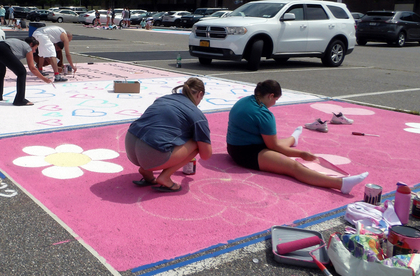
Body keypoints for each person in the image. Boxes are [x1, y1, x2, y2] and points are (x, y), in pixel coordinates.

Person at [226, 79, 369, 194]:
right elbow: (273, 146)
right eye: (275, 100)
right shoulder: (264, 114)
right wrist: (302, 154)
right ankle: (341, 184)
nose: (274, 104)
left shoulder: (245, 100)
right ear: (270, 96)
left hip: (235, 146)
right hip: (245, 153)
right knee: (293, 166)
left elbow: (272, 144)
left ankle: (294, 138)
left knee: (279, 145)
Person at [125, 77, 212, 192]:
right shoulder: (197, 115)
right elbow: (206, 155)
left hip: (130, 143)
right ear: (200, 94)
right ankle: (165, 177)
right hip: (149, 153)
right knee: (197, 143)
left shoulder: (164, 98)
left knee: (160, 133)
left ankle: (147, 171)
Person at [0, 36, 52, 106]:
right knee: (22, 72)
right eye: (34, 48)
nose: (34, 51)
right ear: (31, 44)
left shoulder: (19, 43)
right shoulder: (27, 47)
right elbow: (32, 68)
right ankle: (19, 99)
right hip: (3, 49)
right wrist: (44, 78)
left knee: (1, 71)